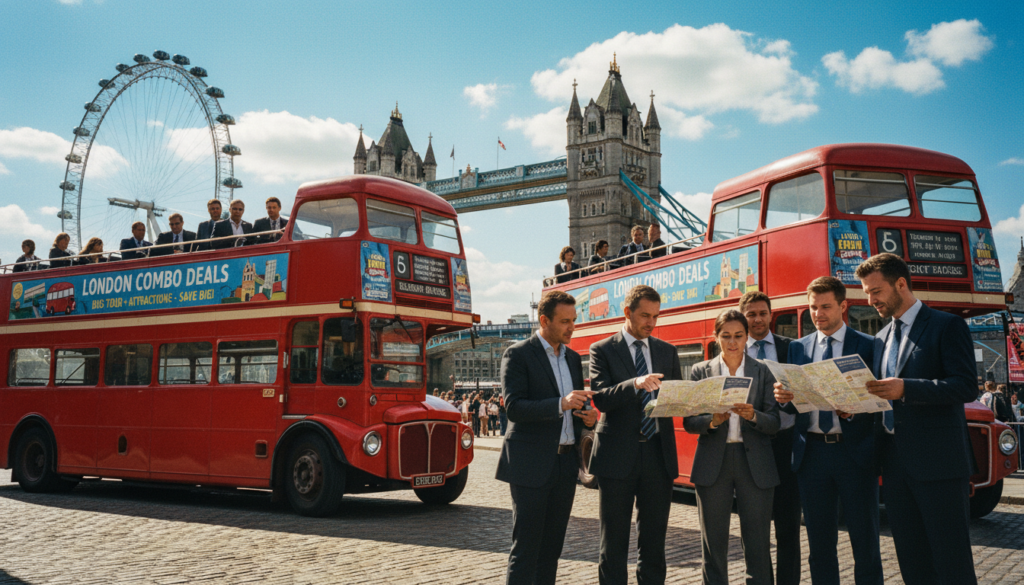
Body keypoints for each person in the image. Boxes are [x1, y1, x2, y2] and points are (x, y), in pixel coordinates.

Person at [856, 253, 978, 585]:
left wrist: (906, 388)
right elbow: (884, 395)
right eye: (867, 292)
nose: (871, 300)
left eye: (876, 291)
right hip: (895, 465)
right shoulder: (880, 338)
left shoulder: (946, 325)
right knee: (912, 561)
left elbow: (966, 386)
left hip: (939, 465)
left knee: (951, 561)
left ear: (900, 283)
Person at [773, 277, 882, 585]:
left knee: (866, 542)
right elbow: (795, 408)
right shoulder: (797, 348)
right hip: (812, 456)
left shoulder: (869, 345)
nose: (818, 314)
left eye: (825, 307)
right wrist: (784, 400)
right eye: (812, 307)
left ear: (843, 306)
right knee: (820, 546)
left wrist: (854, 410)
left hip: (854, 454)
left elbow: (878, 402)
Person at [495, 290, 597, 585]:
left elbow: (575, 405)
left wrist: (586, 417)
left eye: (574, 320)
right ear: (544, 320)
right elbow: (514, 408)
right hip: (530, 466)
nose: (572, 326)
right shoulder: (518, 354)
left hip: (565, 466)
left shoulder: (574, 358)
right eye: (565, 321)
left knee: (552, 551)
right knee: (526, 549)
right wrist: (561, 404)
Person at [589, 284, 681, 585]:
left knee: (654, 544)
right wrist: (636, 383)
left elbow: (677, 397)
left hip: (658, 454)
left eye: (656, 316)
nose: (651, 323)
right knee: (613, 543)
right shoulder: (602, 350)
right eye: (645, 316)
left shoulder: (668, 351)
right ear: (626, 312)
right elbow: (601, 397)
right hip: (617, 457)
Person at [684, 310, 780, 585]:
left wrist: (753, 416)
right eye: (725, 336)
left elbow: (774, 422)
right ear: (716, 338)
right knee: (713, 544)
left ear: (747, 337)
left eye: (738, 336)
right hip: (715, 461)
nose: (732, 342)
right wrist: (712, 421)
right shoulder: (701, 371)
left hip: (755, 463)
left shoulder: (763, 370)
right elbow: (690, 422)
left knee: (759, 542)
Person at [739, 290, 799, 585]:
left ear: (771, 314)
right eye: (751, 314)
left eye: (763, 313)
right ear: (743, 317)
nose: (758, 319)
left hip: (786, 445)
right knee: (756, 528)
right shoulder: (734, 350)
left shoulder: (792, 348)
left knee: (788, 528)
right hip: (752, 447)